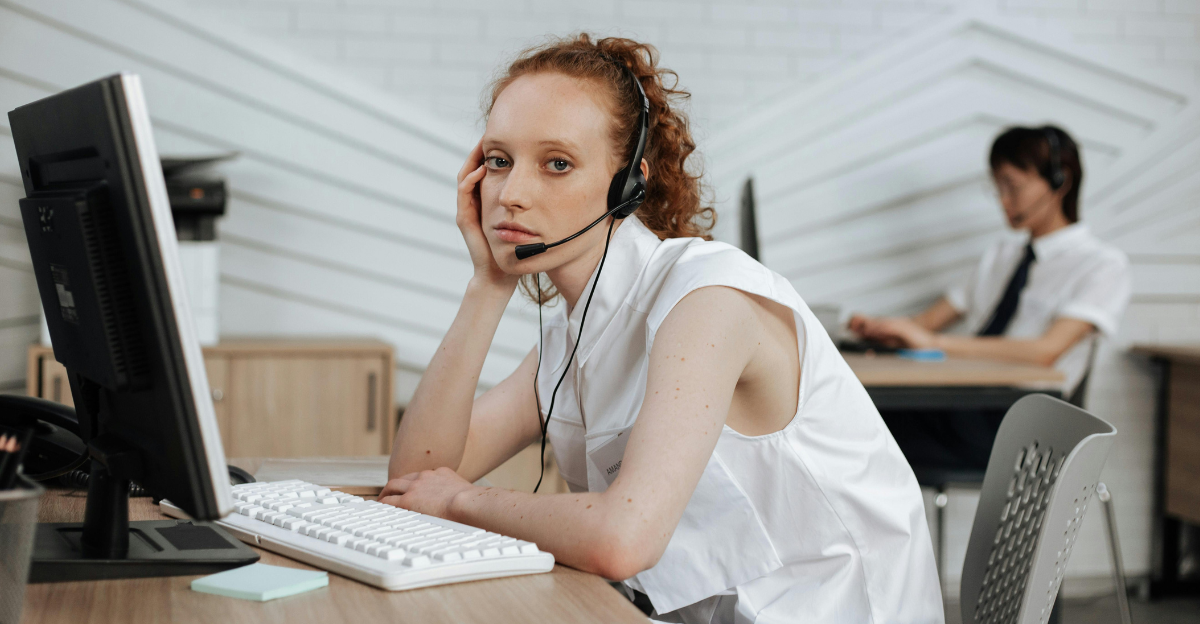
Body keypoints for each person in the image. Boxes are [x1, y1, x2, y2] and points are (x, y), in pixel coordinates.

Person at [379, 34, 942, 623]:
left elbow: (622, 539)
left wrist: (462, 502)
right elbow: (417, 476)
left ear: (629, 185)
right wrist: (487, 284)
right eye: (499, 161)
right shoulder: (572, 335)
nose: (512, 194)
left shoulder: (707, 299)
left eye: (557, 164)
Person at [848, 126, 1131, 470]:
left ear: (1061, 181)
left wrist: (933, 343)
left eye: (1013, 186)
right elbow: (926, 323)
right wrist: (884, 329)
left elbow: (1046, 352)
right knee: (851, 416)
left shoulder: (1101, 265)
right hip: (961, 405)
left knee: (858, 435)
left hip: (1023, 430)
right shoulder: (1000, 256)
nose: (1003, 201)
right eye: (997, 188)